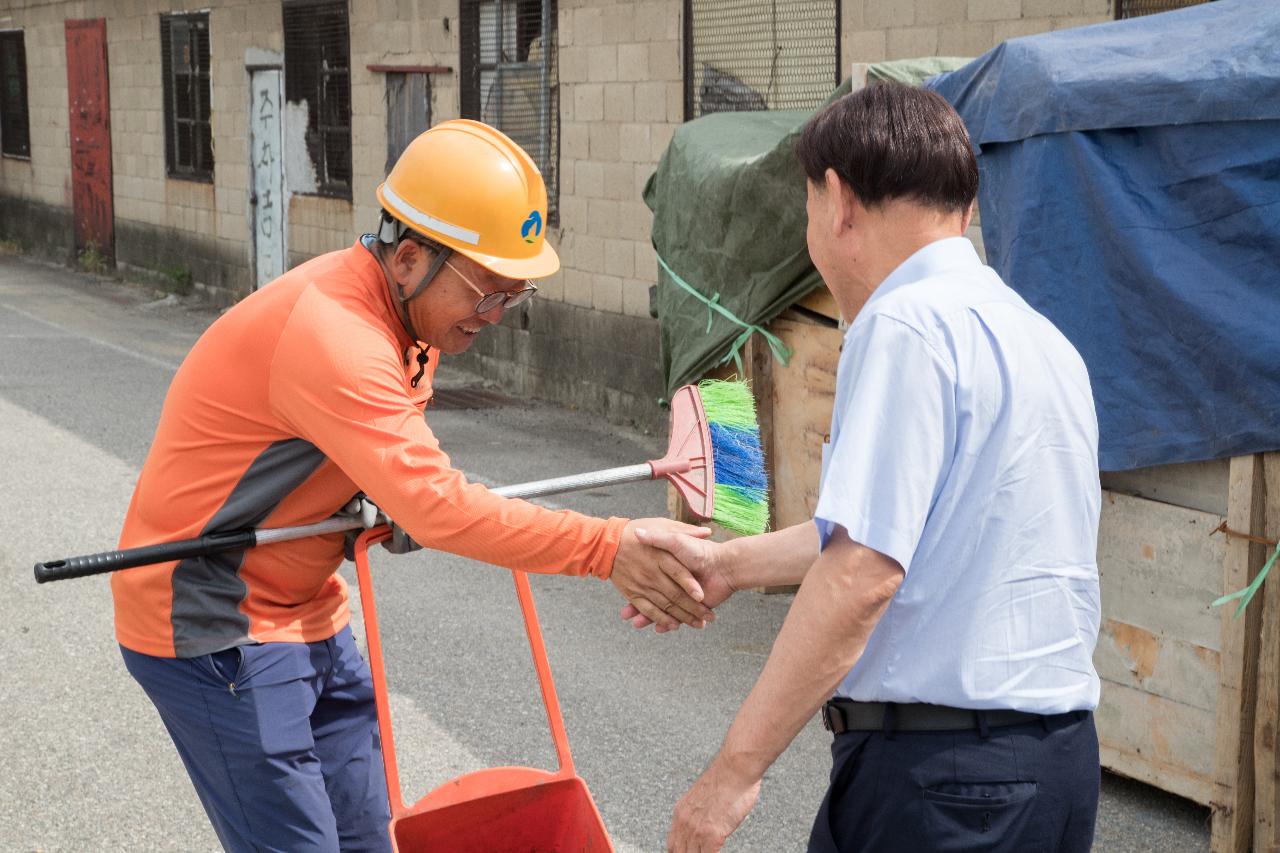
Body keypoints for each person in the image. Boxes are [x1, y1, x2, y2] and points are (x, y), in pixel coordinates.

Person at [111, 119, 713, 852]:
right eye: (486, 292)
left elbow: (385, 477)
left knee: (367, 837)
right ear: (407, 258)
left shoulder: (413, 329)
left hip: (308, 605)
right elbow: (437, 505)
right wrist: (607, 543)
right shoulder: (336, 335)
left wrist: (374, 500)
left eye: (511, 298)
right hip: (212, 619)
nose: (494, 317)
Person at [631, 82, 1103, 852]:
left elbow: (862, 574)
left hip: (942, 783)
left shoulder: (905, 323)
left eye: (807, 207)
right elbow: (890, 532)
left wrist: (731, 774)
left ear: (839, 201)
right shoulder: (1041, 338)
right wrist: (726, 563)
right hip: (1054, 769)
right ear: (967, 207)